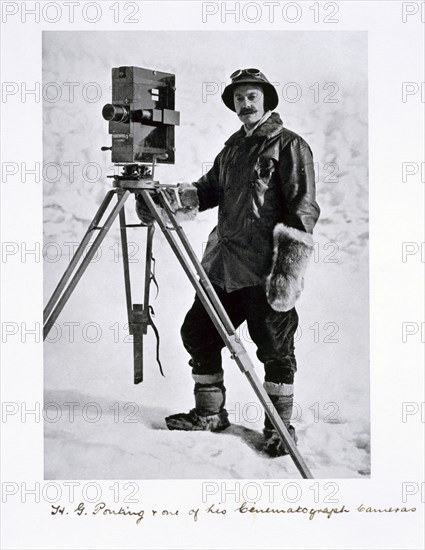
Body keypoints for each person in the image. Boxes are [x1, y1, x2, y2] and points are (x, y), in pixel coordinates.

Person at [136, 68, 320, 456]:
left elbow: (303, 209)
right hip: (224, 265)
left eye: (252, 96)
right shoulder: (233, 148)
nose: (245, 104)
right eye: (238, 98)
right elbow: (206, 191)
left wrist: (286, 272)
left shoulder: (290, 146)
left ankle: (278, 426)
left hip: (265, 270)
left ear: (266, 100)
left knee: (274, 348)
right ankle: (210, 414)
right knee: (198, 333)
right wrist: (161, 199)